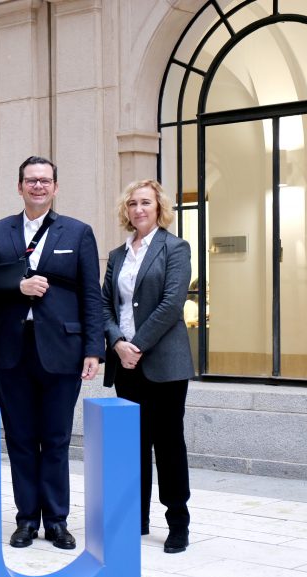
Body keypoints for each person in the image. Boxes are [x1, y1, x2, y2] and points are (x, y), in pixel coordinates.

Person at [0, 156, 103, 551]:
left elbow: (92, 296)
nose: (38, 186)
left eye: (45, 180)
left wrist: (94, 349)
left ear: (55, 187)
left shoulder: (78, 232)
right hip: (12, 351)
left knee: (56, 438)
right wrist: (18, 287)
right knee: (19, 438)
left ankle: (57, 521)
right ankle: (27, 520)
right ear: (19, 187)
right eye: (30, 180)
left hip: (63, 350)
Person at [102, 179, 194, 553]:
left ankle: (178, 523)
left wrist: (136, 345)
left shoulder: (175, 248)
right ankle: (135, 519)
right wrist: (117, 344)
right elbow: (104, 305)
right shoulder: (117, 255)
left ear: (159, 208)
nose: (139, 209)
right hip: (125, 363)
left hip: (164, 363)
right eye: (133, 204)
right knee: (132, 444)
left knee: (168, 443)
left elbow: (172, 304)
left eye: (146, 203)